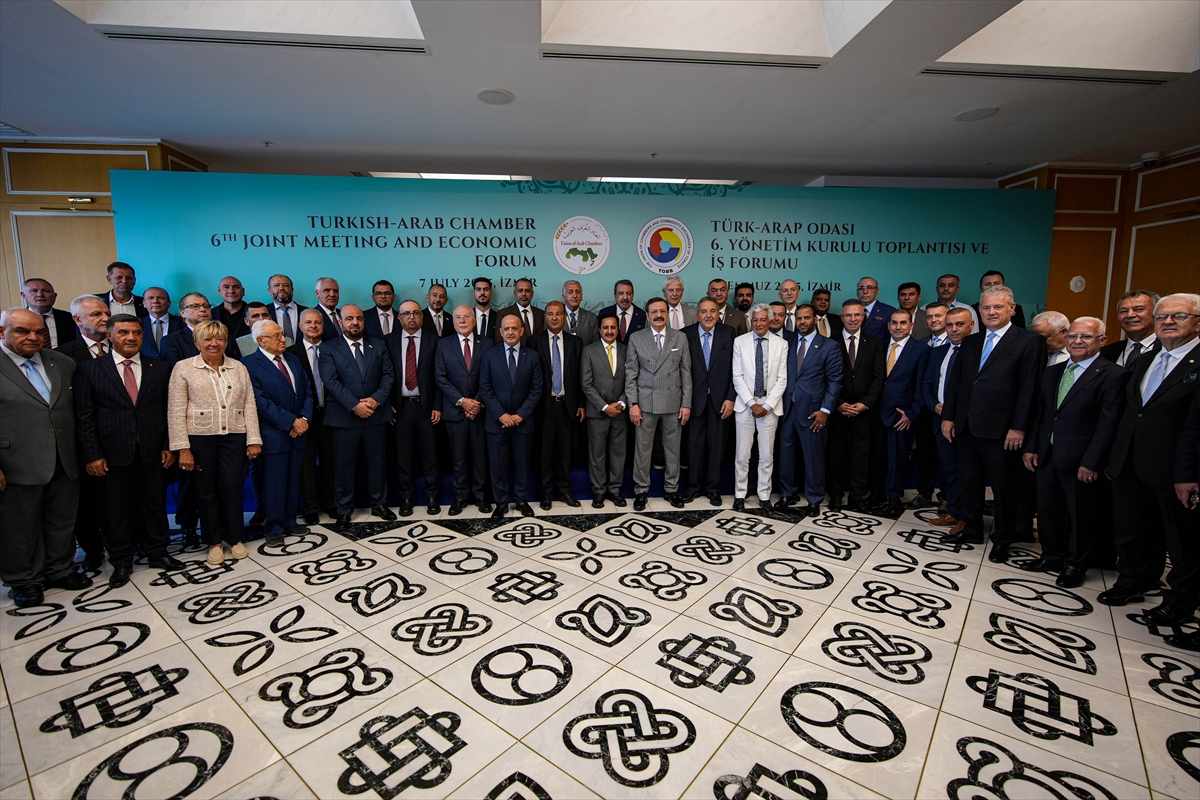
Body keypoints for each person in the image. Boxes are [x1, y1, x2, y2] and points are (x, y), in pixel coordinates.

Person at [1102, 293, 1200, 624]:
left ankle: (1180, 602)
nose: (1168, 322)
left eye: (1179, 316)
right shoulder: (1146, 359)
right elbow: (1132, 412)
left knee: (1181, 540)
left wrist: (1188, 473)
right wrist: (1114, 455)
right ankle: (1133, 581)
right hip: (1130, 460)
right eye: (1162, 317)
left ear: (1197, 323)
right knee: (1131, 527)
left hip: (1176, 467)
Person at [75, 312, 184, 586]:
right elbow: (84, 416)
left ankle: (158, 552)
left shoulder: (159, 368)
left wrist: (167, 445)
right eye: (123, 332)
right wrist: (93, 455)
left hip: (152, 451)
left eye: (136, 332)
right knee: (115, 511)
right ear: (109, 336)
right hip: (111, 454)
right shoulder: (91, 369)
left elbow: (168, 410)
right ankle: (121, 561)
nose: (131, 337)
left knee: (154, 505)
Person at [1021, 317, 1128, 588]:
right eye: (1073, 336)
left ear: (1102, 340)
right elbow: (1041, 413)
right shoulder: (1053, 372)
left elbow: (1108, 424)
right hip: (1048, 453)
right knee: (1048, 509)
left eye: (1086, 337)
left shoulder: (1113, 375)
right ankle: (1051, 555)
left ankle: (1076, 564)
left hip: (1081, 458)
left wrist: (1093, 461)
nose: (1078, 341)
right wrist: (1032, 447)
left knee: (1080, 515)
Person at [941, 286, 1045, 563]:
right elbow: (957, 384)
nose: (991, 312)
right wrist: (949, 417)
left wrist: (1019, 427)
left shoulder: (1028, 341)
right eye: (986, 308)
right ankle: (972, 529)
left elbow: (1030, 389)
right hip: (966, 425)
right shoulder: (971, 342)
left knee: (1003, 488)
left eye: (998, 307)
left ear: (1012, 308)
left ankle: (1003, 538)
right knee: (969, 482)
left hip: (1002, 430)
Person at [0, 308, 92, 607]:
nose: (33, 337)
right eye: (22, 331)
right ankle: (24, 580)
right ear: (2, 332)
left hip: (64, 457)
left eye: (39, 332)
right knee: (19, 528)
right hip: (15, 462)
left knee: (62, 520)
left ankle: (60, 569)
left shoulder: (62, 362)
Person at [168, 320, 262, 566]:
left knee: (232, 487)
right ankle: (214, 542)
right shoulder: (183, 368)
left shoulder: (238, 367)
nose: (214, 343)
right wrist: (183, 448)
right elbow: (175, 410)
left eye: (219, 338)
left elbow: (249, 404)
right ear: (197, 342)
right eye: (208, 339)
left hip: (234, 436)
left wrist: (253, 439)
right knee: (206, 491)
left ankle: (235, 538)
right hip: (199, 439)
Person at [319, 304, 395, 526]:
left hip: (375, 414)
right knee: (344, 466)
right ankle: (344, 509)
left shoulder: (378, 345)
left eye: (359, 318)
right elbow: (330, 381)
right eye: (349, 318)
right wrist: (354, 405)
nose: (355, 322)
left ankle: (379, 504)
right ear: (340, 322)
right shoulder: (329, 348)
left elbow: (388, 375)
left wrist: (375, 400)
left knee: (377, 463)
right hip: (344, 417)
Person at [55, 295, 113, 569]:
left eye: (106, 313)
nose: (105, 318)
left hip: (121, 439)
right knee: (87, 503)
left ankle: (125, 542)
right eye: (96, 314)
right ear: (77, 319)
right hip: (83, 441)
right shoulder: (62, 356)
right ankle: (92, 549)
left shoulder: (123, 346)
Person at [245, 320, 311, 546]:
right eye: (276, 336)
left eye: (282, 334)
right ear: (260, 340)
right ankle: (274, 527)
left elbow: (307, 390)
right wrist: (290, 422)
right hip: (273, 434)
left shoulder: (292, 359)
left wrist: (303, 419)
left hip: (297, 432)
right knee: (274, 483)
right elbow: (260, 402)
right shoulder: (249, 364)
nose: (283, 339)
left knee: (293, 480)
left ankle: (290, 521)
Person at [626, 297, 692, 510]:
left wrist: (686, 404)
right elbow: (631, 374)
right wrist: (633, 403)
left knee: (673, 449)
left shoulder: (680, 338)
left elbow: (686, 373)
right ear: (647, 315)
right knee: (643, 450)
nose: (658, 315)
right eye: (654, 312)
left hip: (673, 403)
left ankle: (672, 489)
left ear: (667, 313)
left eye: (662, 311)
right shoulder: (636, 338)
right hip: (645, 403)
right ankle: (641, 491)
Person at [779, 304, 843, 516]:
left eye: (806, 318)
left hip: (813, 411)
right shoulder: (786, 343)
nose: (802, 322)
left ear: (815, 320)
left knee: (813, 456)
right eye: (799, 318)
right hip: (787, 409)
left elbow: (835, 381)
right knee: (786, 454)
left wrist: (825, 409)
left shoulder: (829, 346)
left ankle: (814, 499)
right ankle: (788, 494)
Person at [480, 314, 542, 517]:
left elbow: (536, 390)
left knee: (522, 464)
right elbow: (485, 388)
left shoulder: (532, 356)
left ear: (522, 331)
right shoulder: (489, 355)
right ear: (500, 331)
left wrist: (520, 415)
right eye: (506, 329)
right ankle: (501, 503)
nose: (510, 332)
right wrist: (501, 415)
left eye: (514, 328)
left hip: (523, 422)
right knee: (498, 465)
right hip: (497, 422)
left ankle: (522, 500)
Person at [827, 299, 884, 513]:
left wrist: (865, 404)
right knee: (836, 455)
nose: (853, 319)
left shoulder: (875, 343)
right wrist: (839, 404)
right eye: (848, 315)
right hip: (838, 409)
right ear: (842, 318)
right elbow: (825, 377)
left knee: (860, 455)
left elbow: (879, 378)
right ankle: (835, 495)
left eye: (857, 315)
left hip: (863, 411)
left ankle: (856, 496)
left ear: (863, 317)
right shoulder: (830, 342)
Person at [387, 300, 443, 516]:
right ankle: (406, 497)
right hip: (399, 408)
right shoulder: (388, 341)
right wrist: (387, 405)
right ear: (399, 317)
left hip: (426, 407)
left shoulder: (434, 341)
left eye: (416, 313)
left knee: (430, 454)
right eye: (407, 313)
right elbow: (383, 375)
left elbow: (439, 376)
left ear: (422, 316)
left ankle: (432, 496)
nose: (411, 317)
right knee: (403, 456)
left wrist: (437, 405)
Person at [436, 304, 493, 515]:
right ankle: (460, 496)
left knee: (480, 456)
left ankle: (480, 496)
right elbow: (440, 377)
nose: (462, 320)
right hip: (455, 411)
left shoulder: (487, 343)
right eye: (458, 317)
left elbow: (490, 375)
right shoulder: (443, 344)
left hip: (480, 410)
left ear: (474, 320)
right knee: (458, 457)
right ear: (453, 321)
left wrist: (476, 402)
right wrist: (462, 401)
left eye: (467, 316)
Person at [872, 309, 930, 517]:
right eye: (894, 323)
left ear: (911, 325)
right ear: (888, 325)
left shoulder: (921, 350)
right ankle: (877, 493)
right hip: (877, 410)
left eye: (903, 323)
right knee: (877, 455)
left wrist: (912, 413)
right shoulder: (879, 345)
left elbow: (923, 384)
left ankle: (894, 497)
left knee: (898, 457)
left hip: (902, 414)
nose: (898, 327)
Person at [731, 304, 789, 511]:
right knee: (742, 455)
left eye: (763, 320)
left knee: (766, 455)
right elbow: (737, 376)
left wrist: (767, 405)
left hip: (770, 407)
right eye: (755, 320)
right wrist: (751, 403)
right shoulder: (740, 342)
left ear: (770, 321)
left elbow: (782, 379)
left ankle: (764, 496)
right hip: (746, 405)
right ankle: (740, 494)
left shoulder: (781, 344)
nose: (758, 324)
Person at [530, 301, 584, 509]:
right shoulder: (534, 341)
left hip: (567, 406)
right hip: (543, 406)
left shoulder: (575, 342)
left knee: (565, 452)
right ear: (545, 317)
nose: (554, 318)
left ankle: (564, 492)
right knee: (544, 453)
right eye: (550, 314)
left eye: (558, 314)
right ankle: (544, 493)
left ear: (565, 317)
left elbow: (580, 376)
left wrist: (581, 403)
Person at [683, 297, 735, 505]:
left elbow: (735, 368)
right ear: (697, 315)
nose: (708, 315)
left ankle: (713, 489)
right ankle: (693, 488)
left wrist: (730, 397)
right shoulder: (686, 334)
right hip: (694, 401)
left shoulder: (728, 333)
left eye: (712, 311)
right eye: (704, 311)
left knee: (717, 446)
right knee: (694, 447)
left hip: (720, 401)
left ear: (718, 314)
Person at [287, 309, 335, 524]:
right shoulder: (290, 353)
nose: (313, 326)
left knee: (330, 461)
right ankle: (310, 507)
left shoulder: (334, 348)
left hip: (331, 414)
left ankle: (331, 503)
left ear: (323, 325)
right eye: (308, 322)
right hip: (304, 416)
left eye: (317, 322)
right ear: (300, 326)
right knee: (305, 464)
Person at [581, 314, 629, 508]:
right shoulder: (588, 351)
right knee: (597, 454)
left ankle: (615, 489)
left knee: (618, 452)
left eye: (613, 327)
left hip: (620, 412)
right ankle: (599, 491)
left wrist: (622, 403)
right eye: (606, 327)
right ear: (599, 329)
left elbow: (631, 380)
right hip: (598, 413)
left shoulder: (626, 350)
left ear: (618, 329)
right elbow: (586, 384)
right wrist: (604, 407)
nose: (609, 331)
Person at [1099, 290, 1161, 368]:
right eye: (1123, 311)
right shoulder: (1106, 353)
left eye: (1138, 309)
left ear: (1157, 313)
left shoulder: (1167, 348)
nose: (1130, 315)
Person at [20, 278, 76, 348]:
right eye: (34, 291)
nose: (40, 295)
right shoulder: (15, 320)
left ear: (55, 296)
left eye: (46, 291)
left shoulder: (70, 319)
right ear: (24, 295)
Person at [56, 295, 111, 364]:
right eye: (96, 314)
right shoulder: (61, 354)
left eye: (108, 314)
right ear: (78, 319)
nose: (106, 319)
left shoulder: (121, 345)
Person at [162, 292, 213, 366]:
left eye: (206, 306)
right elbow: (173, 370)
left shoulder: (225, 337)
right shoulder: (171, 341)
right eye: (195, 306)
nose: (203, 309)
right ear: (182, 313)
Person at [494, 277, 543, 344]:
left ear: (532, 294)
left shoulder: (540, 314)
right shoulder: (503, 313)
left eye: (527, 291)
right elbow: (499, 341)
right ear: (515, 293)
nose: (524, 294)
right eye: (520, 290)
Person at [598, 279, 646, 344]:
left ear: (632, 296)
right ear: (615, 296)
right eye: (621, 293)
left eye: (628, 293)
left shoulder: (642, 315)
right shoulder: (604, 313)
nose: (625, 297)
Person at [141, 287, 183, 359]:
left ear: (169, 303)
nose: (155, 301)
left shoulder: (182, 323)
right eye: (150, 298)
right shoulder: (137, 324)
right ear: (144, 303)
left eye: (160, 298)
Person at [268, 273, 306, 343]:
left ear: (292, 290)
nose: (281, 288)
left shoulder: (306, 311)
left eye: (286, 285)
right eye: (276, 285)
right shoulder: (264, 312)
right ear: (270, 291)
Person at [857, 276, 896, 340]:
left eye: (869, 287)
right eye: (861, 288)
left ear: (877, 291)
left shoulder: (889, 311)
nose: (865, 292)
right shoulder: (851, 311)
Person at [561, 280, 599, 344]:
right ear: (564, 297)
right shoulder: (556, 316)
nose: (575, 296)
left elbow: (596, 344)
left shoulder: (591, 317)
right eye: (570, 292)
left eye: (578, 292)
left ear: (581, 296)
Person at [215, 275, 250, 341]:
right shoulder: (211, 314)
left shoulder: (255, 313)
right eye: (226, 287)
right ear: (219, 291)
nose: (231, 291)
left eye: (236, 287)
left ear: (243, 291)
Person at [314, 276, 342, 342]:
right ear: (317, 293)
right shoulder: (313, 316)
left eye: (335, 291)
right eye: (327, 290)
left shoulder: (343, 314)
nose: (332, 294)